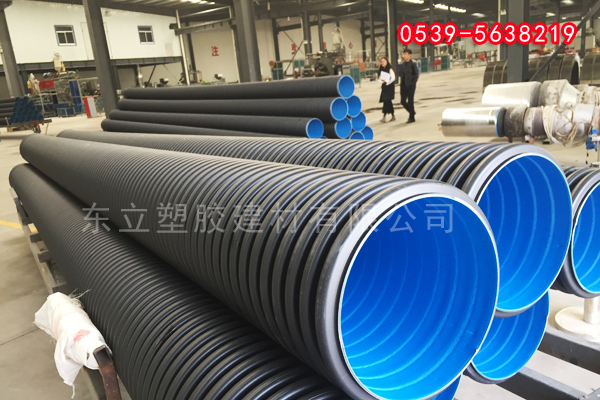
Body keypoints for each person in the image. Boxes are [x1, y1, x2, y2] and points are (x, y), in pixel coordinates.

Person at [398, 48, 419, 123]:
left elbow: (416, 75)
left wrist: (412, 83)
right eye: (403, 54)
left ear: (409, 55)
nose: (404, 56)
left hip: (410, 85)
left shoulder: (413, 64)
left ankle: (412, 117)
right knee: (403, 101)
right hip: (403, 85)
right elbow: (401, 74)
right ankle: (412, 112)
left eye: (406, 54)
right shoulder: (403, 64)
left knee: (410, 101)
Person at [378, 57, 396, 123]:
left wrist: (387, 82)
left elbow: (393, 78)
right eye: (381, 61)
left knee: (386, 101)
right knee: (387, 101)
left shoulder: (390, 69)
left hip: (389, 87)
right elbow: (379, 78)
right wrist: (382, 81)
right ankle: (392, 115)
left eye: (384, 61)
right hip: (384, 87)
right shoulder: (381, 69)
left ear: (387, 62)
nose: (382, 63)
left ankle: (385, 116)